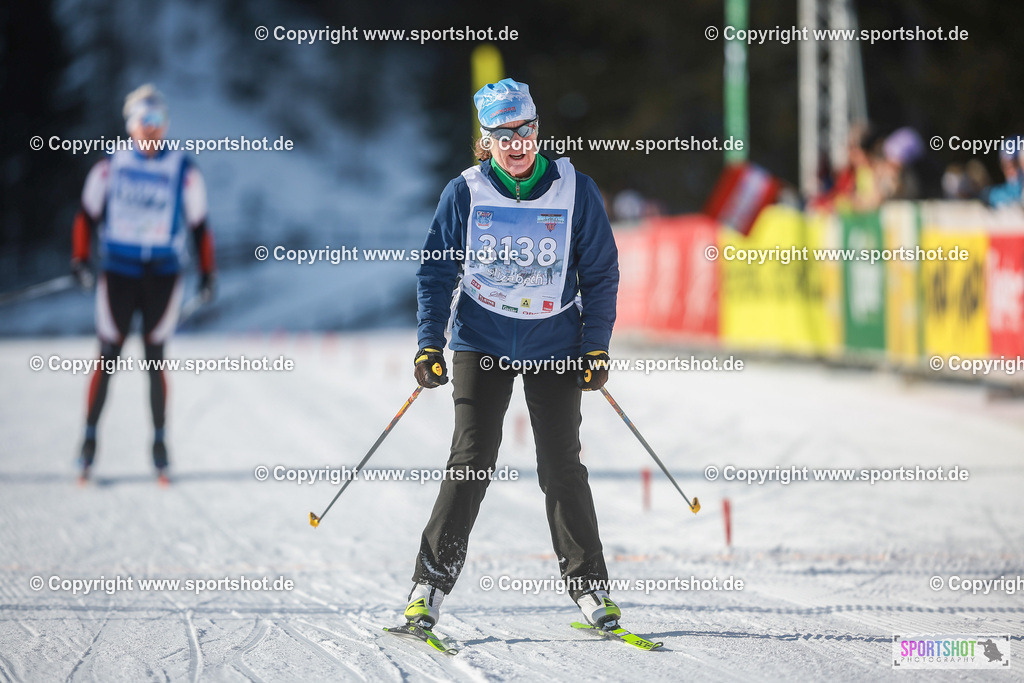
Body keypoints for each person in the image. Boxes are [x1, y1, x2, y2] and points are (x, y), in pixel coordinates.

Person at [403, 78, 620, 631]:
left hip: (554, 342)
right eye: (503, 135)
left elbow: (599, 273)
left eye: (525, 130)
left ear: (538, 131)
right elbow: (436, 270)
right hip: (483, 339)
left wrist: (596, 344)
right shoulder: (466, 192)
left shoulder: (575, 188)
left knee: (560, 464)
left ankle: (590, 588)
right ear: (487, 141)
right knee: (471, 460)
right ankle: (428, 585)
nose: (517, 143)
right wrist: (431, 342)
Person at [71, 84, 216, 485]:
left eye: (158, 121)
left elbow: (200, 226)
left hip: (163, 277)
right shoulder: (109, 166)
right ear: (130, 125)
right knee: (108, 355)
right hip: (118, 273)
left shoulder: (184, 170)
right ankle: (88, 443)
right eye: (143, 121)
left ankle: (159, 446)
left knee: (155, 358)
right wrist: (80, 259)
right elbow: (86, 216)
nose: (151, 130)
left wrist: (208, 273)